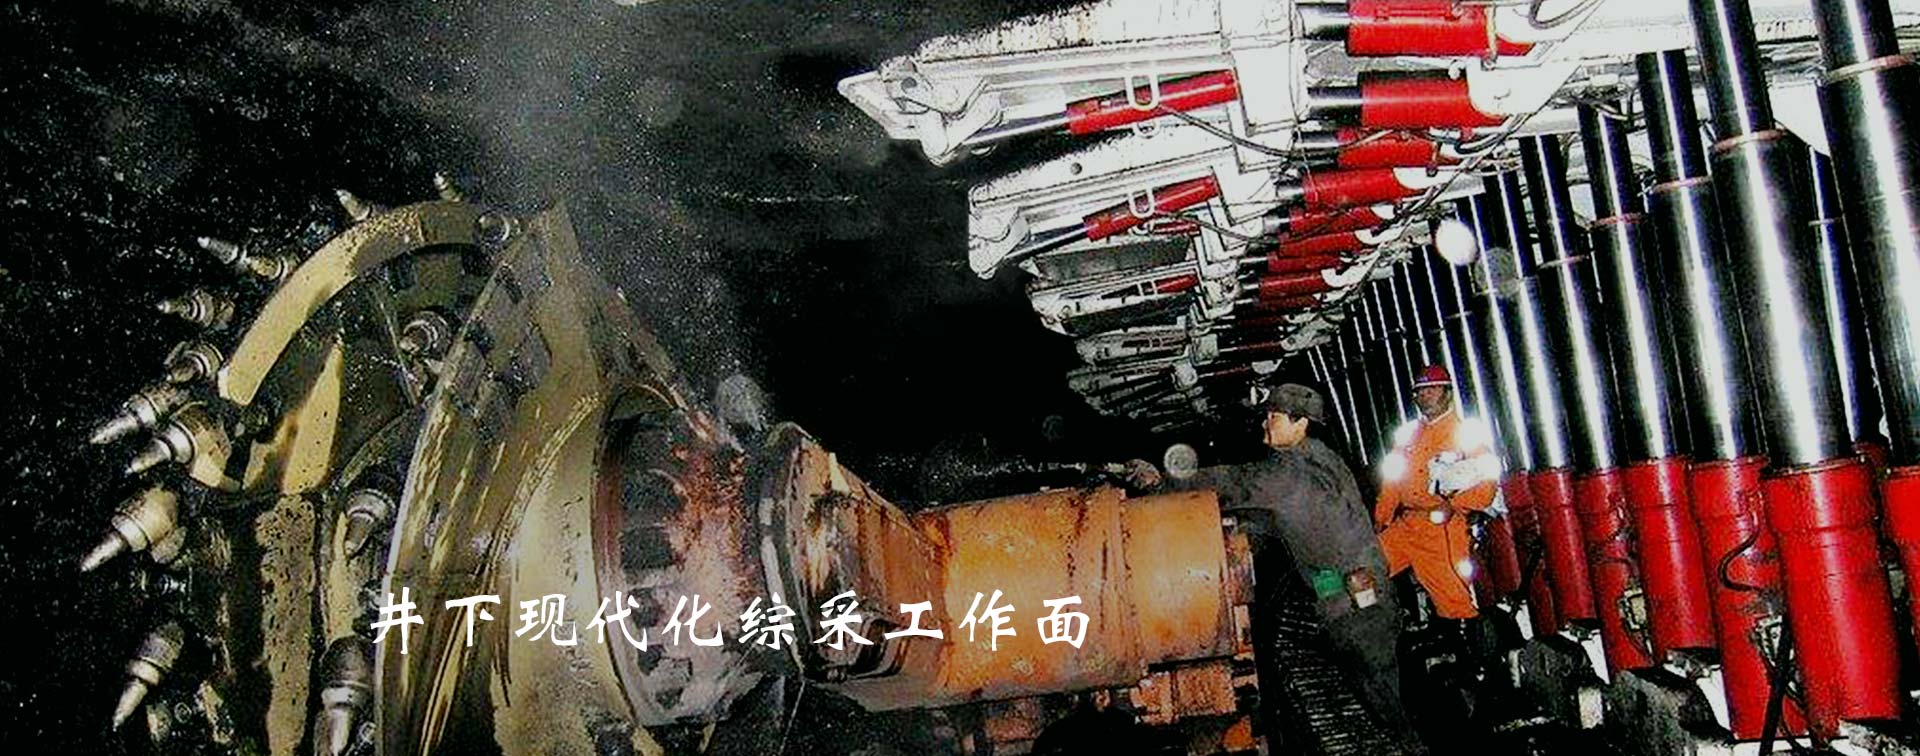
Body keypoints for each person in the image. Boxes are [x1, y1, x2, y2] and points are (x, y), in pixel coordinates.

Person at [1129, 383, 1416, 749]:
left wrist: (1161, 483)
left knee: (1382, 698)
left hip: (1355, 609)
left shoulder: (1286, 476)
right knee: (1382, 685)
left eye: (1274, 416)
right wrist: (1247, 526)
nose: (1265, 423)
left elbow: (1232, 484)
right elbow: (1289, 516)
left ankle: (1413, 745)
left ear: (1300, 423)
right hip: (1365, 595)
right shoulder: (1323, 458)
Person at [1374, 365, 1499, 625]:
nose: (1424, 396)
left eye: (1432, 389)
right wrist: (1381, 519)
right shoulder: (1408, 435)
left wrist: (1454, 505)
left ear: (1448, 393)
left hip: (1441, 529)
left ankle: (1465, 644)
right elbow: (1392, 480)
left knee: (1454, 601)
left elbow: (1487, 484)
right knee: (1366, 567)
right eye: (1419, 391)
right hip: (1405, 525)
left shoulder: (1465, 434)